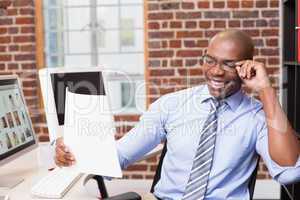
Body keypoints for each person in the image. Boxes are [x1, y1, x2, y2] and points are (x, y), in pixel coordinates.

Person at [54, 30, 300, 199]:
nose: (216, 71)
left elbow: (290, 170)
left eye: (228, 64)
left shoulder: (257, 116)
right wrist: (73, 153)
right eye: (210, 60)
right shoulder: (172, 105)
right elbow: (120, 154)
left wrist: (266, 89)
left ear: (247, 66)